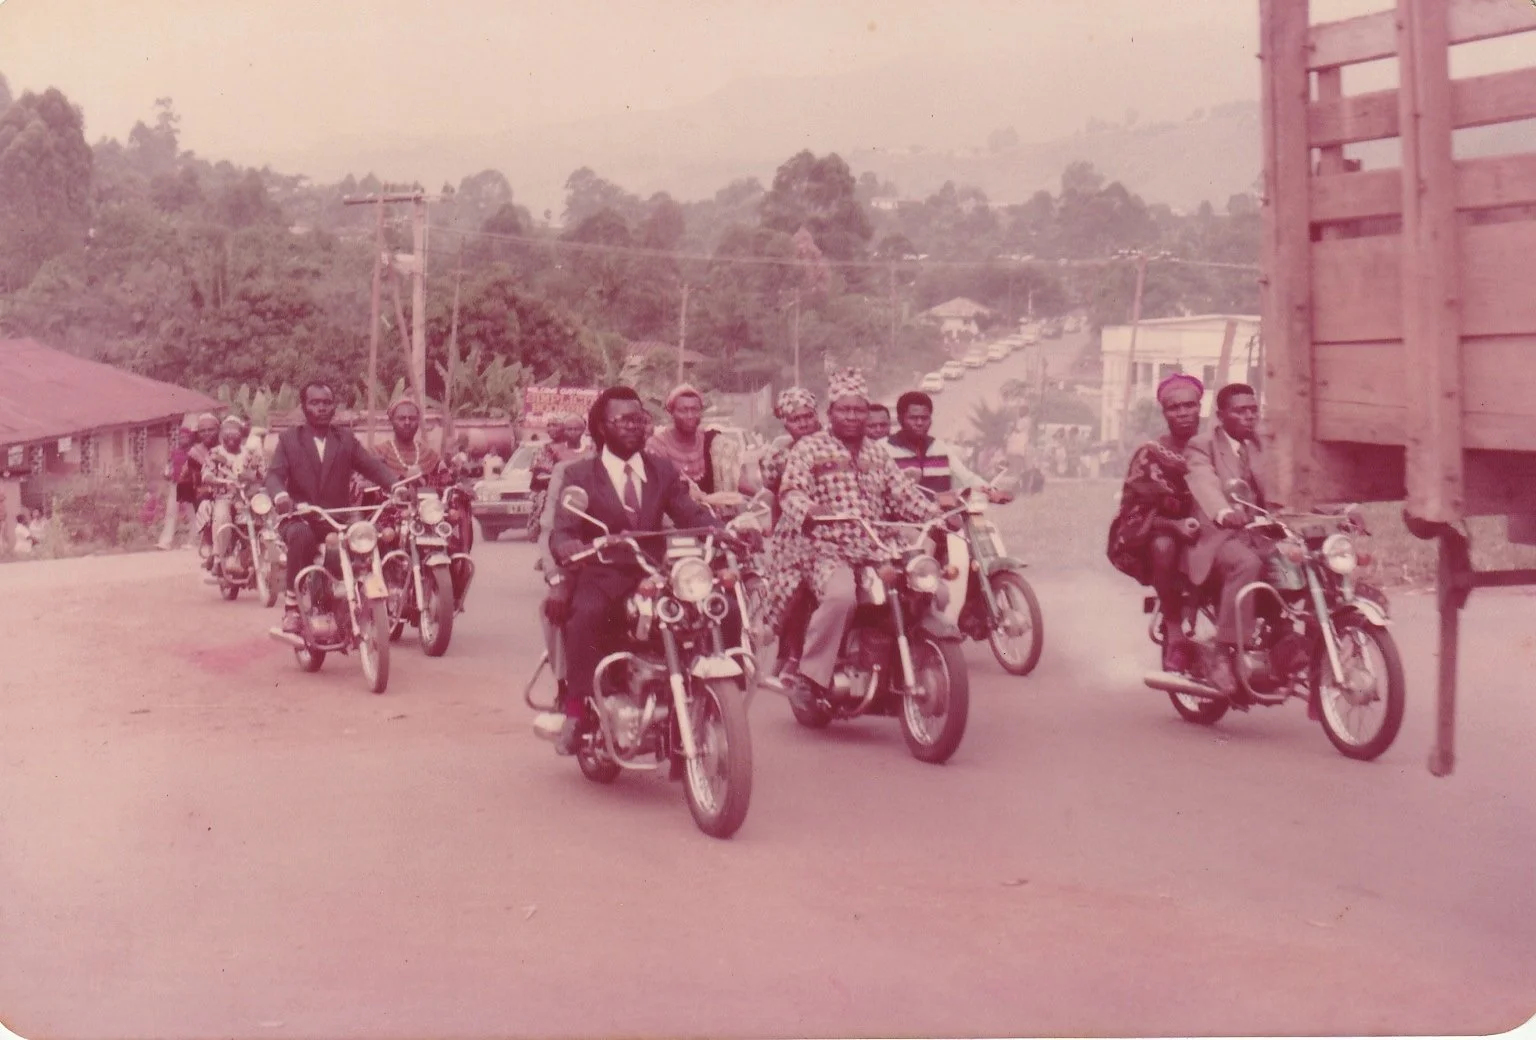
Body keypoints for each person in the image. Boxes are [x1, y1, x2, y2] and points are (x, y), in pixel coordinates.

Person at [544, 386, 719, 753]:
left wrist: (725, 530)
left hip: (652, 572)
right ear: (601, 428)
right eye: (623, 420)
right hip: (601, 571)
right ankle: (576, 708)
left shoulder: (662, 470)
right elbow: (563, 528)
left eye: (639, 419)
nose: (634, 427)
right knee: (585, 616)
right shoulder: (579, 475)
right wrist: (569, 548)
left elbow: (688, 511)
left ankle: (705, 696)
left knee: (709, 609)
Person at [768, 368, 942, 711]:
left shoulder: (878, 453)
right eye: (844, 410)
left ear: (868, 413)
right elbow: (790, 493)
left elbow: (903, 495)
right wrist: (810, 510)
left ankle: (910, 657)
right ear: (831, 413)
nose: (852, 416)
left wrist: (937, 514)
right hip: (826, 548)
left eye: (859, 410)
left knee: (931, 586)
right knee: (841, 597)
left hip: (877, 546)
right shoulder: (808, 448)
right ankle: (810, 676)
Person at [265, 381, 403, 635]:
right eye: (315, 403)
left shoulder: (345, 439)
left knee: (369, 535)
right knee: (301, 536)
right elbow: (273, 475)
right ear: (304, 407)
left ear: (334, 407)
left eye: (327, 403)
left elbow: (372, 466)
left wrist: (395, 486)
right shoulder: (289, 440)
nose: (321, 408)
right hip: (300, 516)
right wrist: (281, 496)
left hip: (336, 518)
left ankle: (365, 594)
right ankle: (293, 608)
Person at [1107, 374, 1203, 671]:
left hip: (1213, 528)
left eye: (1190, 405)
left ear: (1200, 406)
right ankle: (1174, 631)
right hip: (1163, 532)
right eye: (1175, 408)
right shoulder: (1149, 455)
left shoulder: (1214, 447)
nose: (1184, 412)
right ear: (1165, 413)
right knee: (1163, 547)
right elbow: (1133, 514)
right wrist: (1173, 526)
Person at [1185, 383, 1269, 701]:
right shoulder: (1202, 445)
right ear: (1221, 416)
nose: (1248, 416)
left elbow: (1294, 482)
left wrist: (1343, 509)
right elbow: (1202, 479)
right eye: (1240, 411)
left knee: (1304, 561)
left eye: (1252, 410)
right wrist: (1222, 511)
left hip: (1258, 532)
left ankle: (1289, 640)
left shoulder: (1263, 446)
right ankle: (1222, 652)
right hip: (1217, 536)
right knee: (1247, 564)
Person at [885, 391, 1013, 502]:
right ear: (901, 419)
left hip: (942, 521)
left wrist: (993, 492)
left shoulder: (939, 447)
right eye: (913, 418)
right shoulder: (884, 449)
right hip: (903, 525)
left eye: (924, 418)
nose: (919, 423)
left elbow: (966, 477)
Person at [202, 415, 266, 572]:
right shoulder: (214, 453)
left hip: (249, 497)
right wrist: (216, 480)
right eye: (227, 432)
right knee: (222, 516)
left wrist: (258, 478)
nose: (231, 436)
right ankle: (219, 557)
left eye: (235, 432)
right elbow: (207, 474)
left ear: (241, 434)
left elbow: (263, 473)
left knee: (268, 514)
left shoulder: (250, 453)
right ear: (222, 434)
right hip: (225, 496)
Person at [645, 384, 725, 494]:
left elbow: (734, 477)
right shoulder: (657, 445)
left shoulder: (710, 442)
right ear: (671, 413)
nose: (690, 415)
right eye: (683, 410)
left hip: (711, 510)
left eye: (695, 409)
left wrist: (756, 493)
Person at [374, 398, 445, 485]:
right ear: (391, 421)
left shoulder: (431, 457)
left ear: (418, 421)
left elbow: (447, 491)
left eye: (412, 418)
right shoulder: (377, 454)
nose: (407, 422)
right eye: (401, 418)